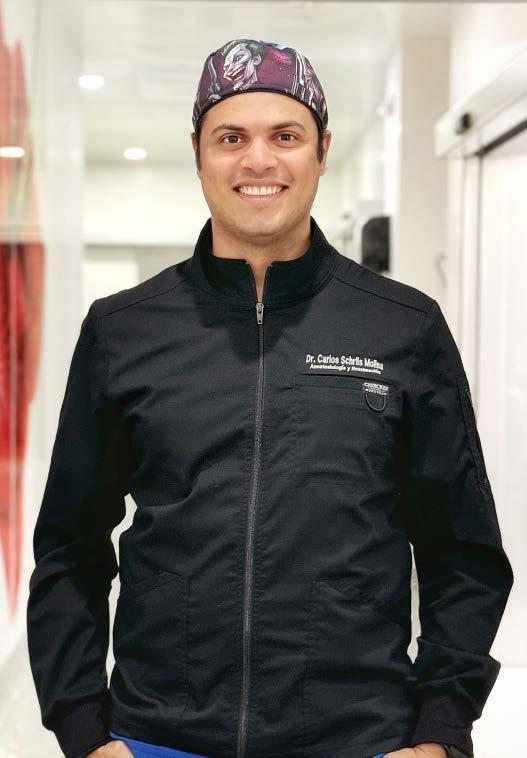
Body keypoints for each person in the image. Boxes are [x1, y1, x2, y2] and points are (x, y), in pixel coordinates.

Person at [26, 38, 513, 758]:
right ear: (199, 154)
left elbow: (462, 553)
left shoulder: (403, 327)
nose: (258, 161)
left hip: (358, 736)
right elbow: (70, 546)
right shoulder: (123, 330)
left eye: (285, 136)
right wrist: (81, 730)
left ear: (322, 150)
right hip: (160, 736)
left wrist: (441, 732)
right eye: (231, 138)